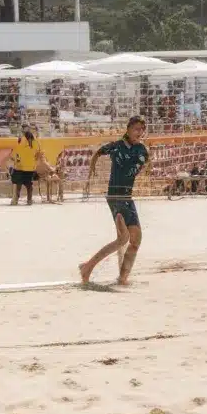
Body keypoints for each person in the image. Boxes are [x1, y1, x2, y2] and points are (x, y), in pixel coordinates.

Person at [80, 116, 150, 287]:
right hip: (115, 196)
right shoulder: (116, 146)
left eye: (142, 129)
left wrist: (144, 168)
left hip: (127, 197)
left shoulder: (142, 150)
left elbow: (144, 164)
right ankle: (87, 267)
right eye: (136, 129)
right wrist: (92, 170)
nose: (139, 132)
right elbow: (98, 153)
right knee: (123, 239)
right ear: (128, 129)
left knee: (136, 239)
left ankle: (123, 277)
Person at [11, 124, 41, 206]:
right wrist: (35, 162)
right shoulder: (35, 141)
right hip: (30, 167)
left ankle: (15, 200)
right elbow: (38, 152)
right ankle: (29, 200)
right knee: (29, 185)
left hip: (20, 166)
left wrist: (15, 161)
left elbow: (17, 152)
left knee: (18, 184)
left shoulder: (21, 140)